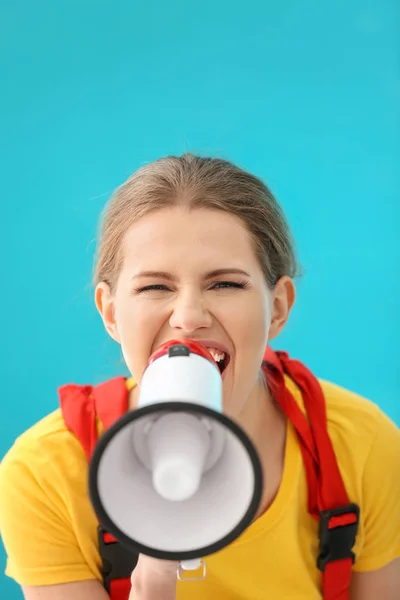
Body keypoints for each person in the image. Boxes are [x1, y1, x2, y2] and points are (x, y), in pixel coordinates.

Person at [0, 153, 399, 600]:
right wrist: (154, 572)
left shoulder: (363, 446)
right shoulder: (42, 475)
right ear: (111, 314)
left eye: (225, 284)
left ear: (279, 307)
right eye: (155, 287)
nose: (188, 317)